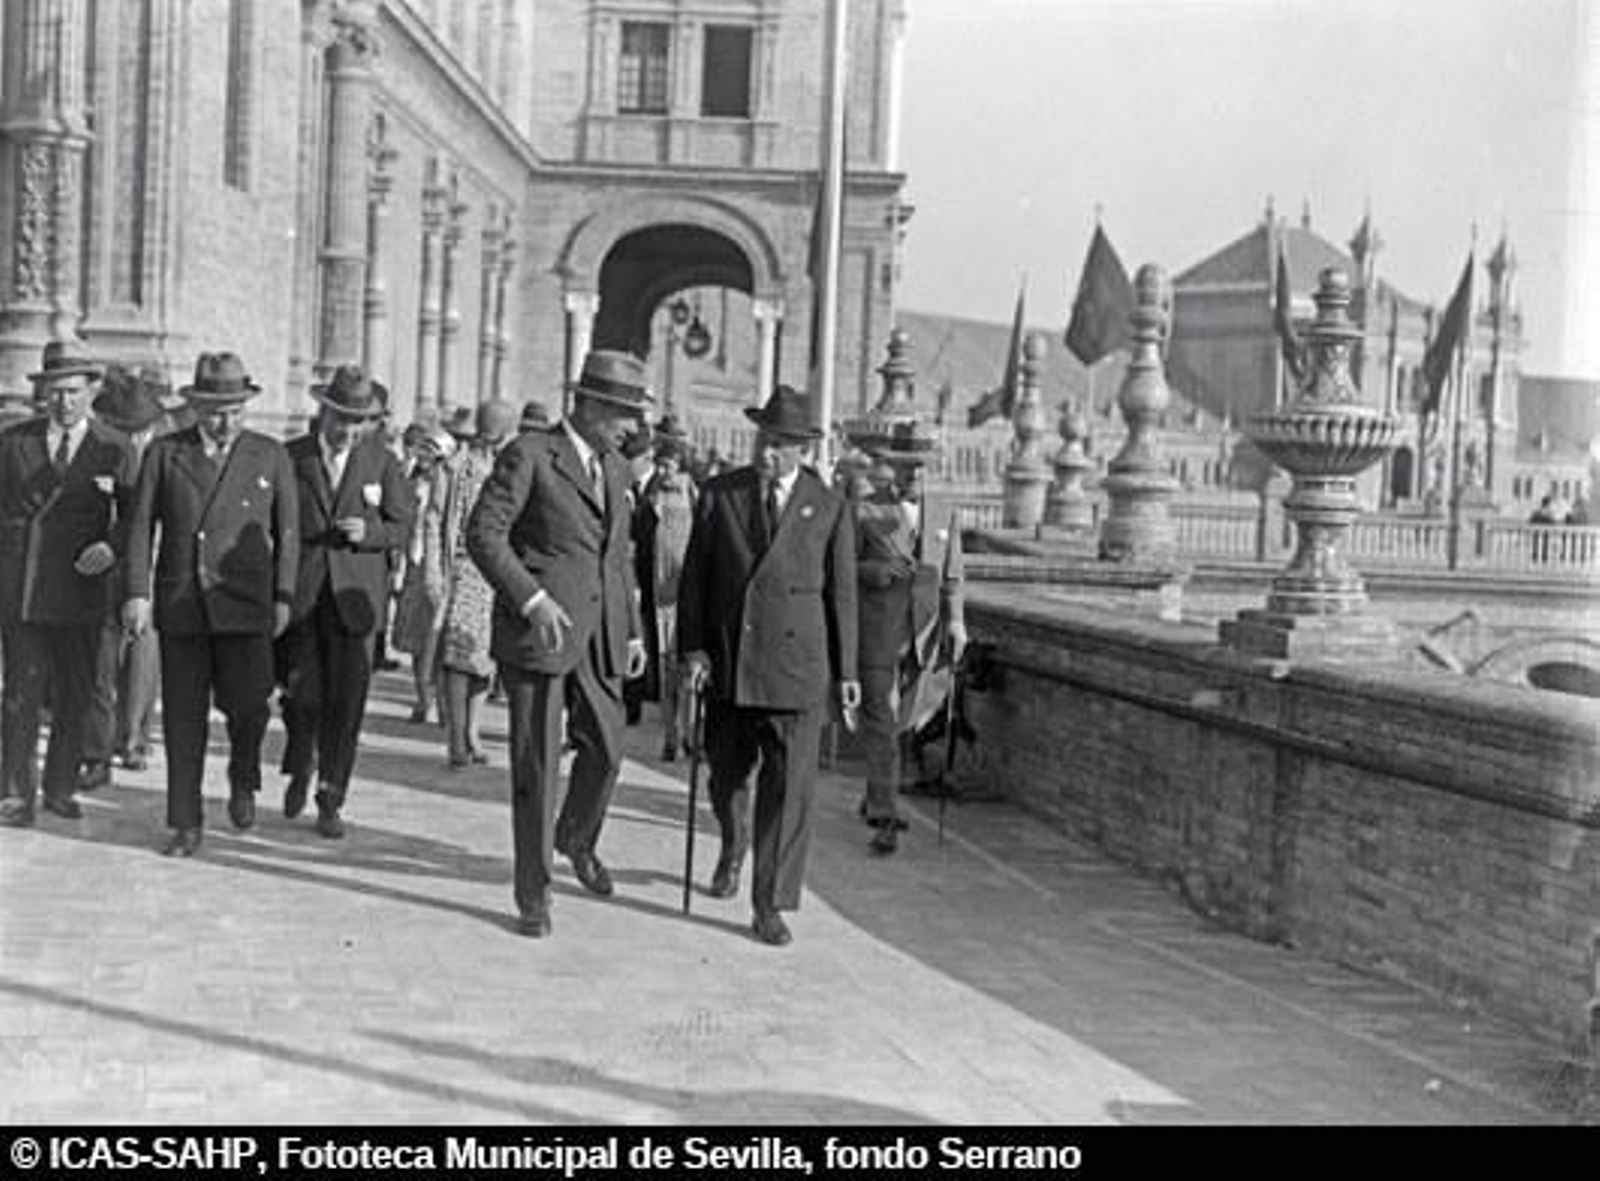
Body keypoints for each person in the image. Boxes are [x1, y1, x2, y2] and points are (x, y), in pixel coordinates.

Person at [466, 349, 649, 938]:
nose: (632, 427)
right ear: (590, 406)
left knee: (608, 750)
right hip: (539, 634)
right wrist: (531, 598)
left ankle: (575, 837)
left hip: (600, 638)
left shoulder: (617, 469)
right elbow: (484, 534)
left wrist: (634, 629)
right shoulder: (531, 455)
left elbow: (617, 557)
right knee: (538, 767)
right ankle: (534, 893)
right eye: (623, 413)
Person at [677, 384, 860, 946]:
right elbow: (694, 584)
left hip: (796, 669)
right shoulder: (719, 495)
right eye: (763, 438)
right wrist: (694, 649)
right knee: (727, 776)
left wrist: (847, 672)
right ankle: (733, 847)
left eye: (780, 443)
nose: (766, 452)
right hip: (731, 663)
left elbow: (842, 596)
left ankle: (770, 902)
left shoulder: (828, 505)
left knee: (789, 792)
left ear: (802, 448)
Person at [122, 352, 299, 856]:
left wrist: (283, 595)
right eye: (216, 411)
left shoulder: (269, 455)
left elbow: (288, 533)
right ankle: (185, 821)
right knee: (182, 718)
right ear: (196, 408)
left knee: (249, 705)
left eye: (236, 410)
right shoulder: (165, 453)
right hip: (184, 605)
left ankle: (243, 775)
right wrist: (137, 592)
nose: (226, 421)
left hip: (246, 605)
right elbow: (139, 528)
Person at [0, 342, 138, 828]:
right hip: (24, 590)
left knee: (76, 695)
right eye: (55, 393)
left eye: (73, 392)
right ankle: (16, 794)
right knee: (21, 695)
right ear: (42, 394)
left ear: (92, 391)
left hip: (83, 591)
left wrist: (113, 547)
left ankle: (60, 788)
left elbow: (135, 519)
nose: (64, 402)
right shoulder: (13, 442)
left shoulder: (115, 447)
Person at [277, 365, 412, 838]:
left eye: (357, 423)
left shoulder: (382, 462)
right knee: (301, 695)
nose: (347, 431)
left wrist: (371, 533)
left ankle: (331, 797)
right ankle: (301, 762)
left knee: (347, 704)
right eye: (340, 420)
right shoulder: (291, 457)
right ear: (323, 412)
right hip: (303, 596)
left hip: (356, 603)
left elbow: (403, 525)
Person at [79, 366, 169, 786]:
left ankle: (133, 740)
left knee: (142, 660)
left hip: (148, 573)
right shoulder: (99, 450)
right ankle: (97, 751)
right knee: (100, 664)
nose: (133, 436)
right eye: (123, 427)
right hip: (101, 574)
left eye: (140, 429)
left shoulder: (165, 455)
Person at [438, 398, 519, 768]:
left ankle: (472, 730)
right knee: (458, 660)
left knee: (484, 661)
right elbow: (442, 520)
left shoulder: (508, 468)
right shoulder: (460, 467)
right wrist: (439, 572)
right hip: (465, 568)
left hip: (496, 574)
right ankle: (457, 736)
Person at [630, 430, 697, 760]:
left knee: (689, 667)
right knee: (667, 666)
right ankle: (672, 735)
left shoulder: (695, 493)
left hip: (689, 592)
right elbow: (640, 539)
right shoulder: (652, 496)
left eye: (669, 464)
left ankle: (690, 732)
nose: (663, 471)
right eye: (660, 464)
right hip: (660, 595)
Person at [390, 422, 453, 723]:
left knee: (439, 638)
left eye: (433, 457)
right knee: (416, 637)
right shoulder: (411, 483)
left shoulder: (453, 488)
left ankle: (442, 700)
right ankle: (422, 697)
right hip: (413, 564)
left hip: (440, 566)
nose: (426, 462)